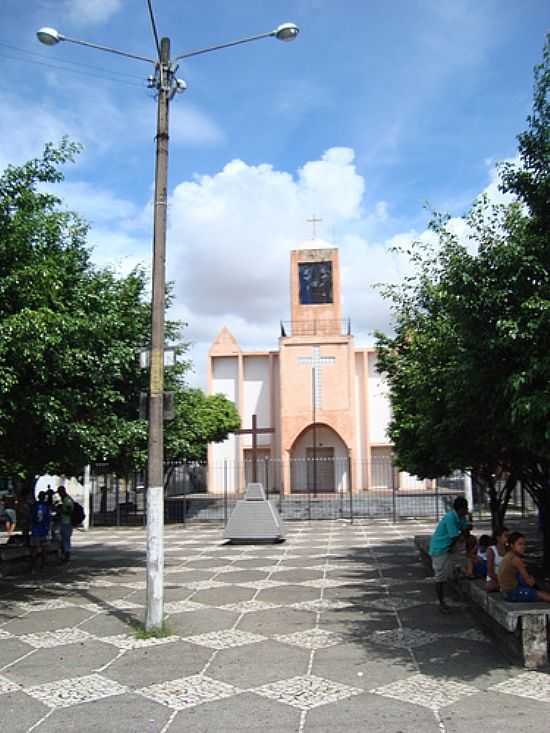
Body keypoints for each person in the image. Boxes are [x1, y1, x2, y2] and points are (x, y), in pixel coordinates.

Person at [429, 496, 471, 613]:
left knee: (453, 572)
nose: (467, 511)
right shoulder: (450, 518)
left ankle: (456, 594)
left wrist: (466, 528)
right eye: (465, 508)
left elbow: (465, 530)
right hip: (440, 549)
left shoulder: (461, 518)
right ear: (460, 509)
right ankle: (442, 603)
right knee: (440, 577)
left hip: (449, 549)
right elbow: (455, 536)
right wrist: (464, 532)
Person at [498, 531, 550, 603]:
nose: (523, 547)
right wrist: (539, 586)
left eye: (524, 544)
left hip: (505, 591)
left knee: (524, 578)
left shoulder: (508, 555)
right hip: (511, 593)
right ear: (512, 545)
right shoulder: (516, 559)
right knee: (541, 594)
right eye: (520, 544)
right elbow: (529, 581)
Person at [30, 491, 51, 572]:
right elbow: (48, 518)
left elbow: (31, 517)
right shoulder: (46, 506)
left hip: (35, 530)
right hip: (44, 530)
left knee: (34, 549)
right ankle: (43, 565)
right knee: (44, 548)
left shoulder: (34, 505)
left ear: (38, 497)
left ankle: (33, 567)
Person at [486, 526, 508, 592]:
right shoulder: (491, 550)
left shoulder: (509, 549)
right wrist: (501, 579)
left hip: (508, 577)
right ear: (498, 538)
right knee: (489, 587)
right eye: (506, 536)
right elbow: (490, 572)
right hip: (495, 578)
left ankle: (504, 587)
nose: (508, 538)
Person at [57, 485, 74, 562]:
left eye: (60, 493)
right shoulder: (64, 500)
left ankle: (67, 555)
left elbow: (70, 511)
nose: (59, 495)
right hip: (64, 522)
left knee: (66, 539)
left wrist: (61, 511)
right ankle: (65, 554)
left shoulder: (67, 500)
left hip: (67, 522)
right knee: (63, 539)